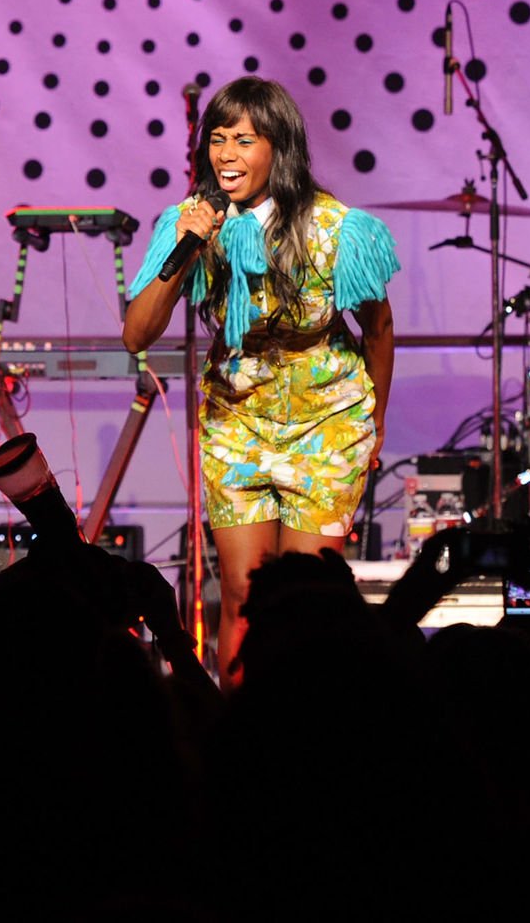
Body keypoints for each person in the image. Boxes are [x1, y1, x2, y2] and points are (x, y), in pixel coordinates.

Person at [121, 77, 399, 678]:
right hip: (236, 423)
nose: (226, 155)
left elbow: (378, 331)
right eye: (217, 140)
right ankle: (236, 739)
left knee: (307, 604)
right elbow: (136, 335)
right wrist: (190, 247)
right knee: (244, 598)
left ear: (279, 146)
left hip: (327, 428)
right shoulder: (191, 223)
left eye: (243, 140)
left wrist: (373, 426)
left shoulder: (337, 229)